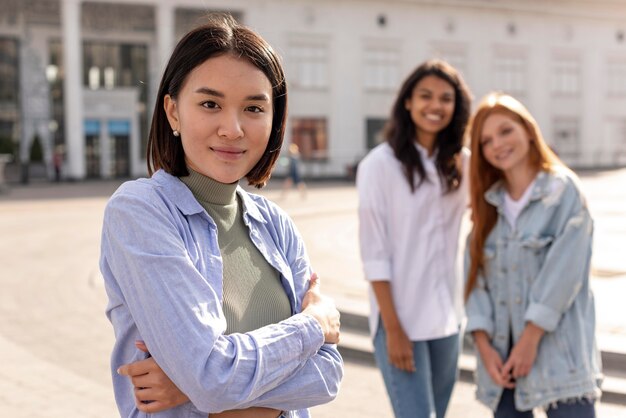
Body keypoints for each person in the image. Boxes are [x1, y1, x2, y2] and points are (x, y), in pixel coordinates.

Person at [99, 14, 343, 418]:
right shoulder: (140, 212)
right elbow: (211, 378)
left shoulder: (276, 225)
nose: (232, 129)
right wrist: (314, 325)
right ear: (173, 112)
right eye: (210, 104)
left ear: (273, 119)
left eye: (253, 108)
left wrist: (193, 388)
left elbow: (329, 375)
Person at [464, 92, 602, 417]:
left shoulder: (563, 192)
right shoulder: (489, 205)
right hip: (503, 366)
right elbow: (475, 281)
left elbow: (565, 275)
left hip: (561, 361)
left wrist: (530, 339)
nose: (497, 144)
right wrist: (484, 347)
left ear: (528, 129)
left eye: (505, 131)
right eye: (486, 141)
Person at [356, 59, 472, 418]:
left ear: (456, 107)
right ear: (408, 101)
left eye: (445, 98)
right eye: (425, 96)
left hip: (447, 320)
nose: (435, 106)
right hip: (400, 320)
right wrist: (393, 329)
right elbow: (374, 254)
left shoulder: (463, 164)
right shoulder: (379, 165)